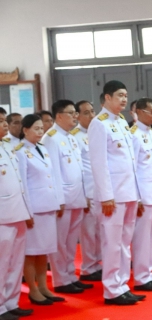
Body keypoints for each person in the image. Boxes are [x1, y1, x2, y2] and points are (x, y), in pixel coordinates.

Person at [88, 80, 143, 306]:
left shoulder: (120, 121)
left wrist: (137, 194)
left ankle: (122, 285)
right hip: (113, 195)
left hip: (128, 192)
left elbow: (130, 161)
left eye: (125, 95)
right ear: (107, 98)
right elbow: (98, 163)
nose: (124, 99)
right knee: (112, 243)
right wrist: (106, 195)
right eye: (119, 95)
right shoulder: (98, 124)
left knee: (124, 242)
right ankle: (111, 289)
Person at [41, 100, 91, 294]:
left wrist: (85, 195)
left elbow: (78, 169)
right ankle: (61, 280)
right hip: (64, 199)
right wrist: (58, 200)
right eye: (71, 113)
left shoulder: (70, 137)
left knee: (71, 242)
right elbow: (52, 173)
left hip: (77, 195)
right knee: (60, 242)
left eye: (75, 113)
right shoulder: (51, 138)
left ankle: (71, 275)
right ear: (59, 116)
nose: (75, 117)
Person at [16, 114, 66, 306]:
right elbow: (23, 185)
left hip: (47, 206)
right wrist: (26, 212)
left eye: (41, 128)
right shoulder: (20, 151)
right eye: (35, 128)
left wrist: (58, 201)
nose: (39, 132)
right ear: (25, 129)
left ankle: (44, 287)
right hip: (34, 209)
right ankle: (33, 289)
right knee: (31, 251)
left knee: (43, 251)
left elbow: (52, 177)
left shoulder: (43, 149)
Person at [0, 108, 34, 320]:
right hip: (2, 216)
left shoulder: (7, 146)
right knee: (2, 263)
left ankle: (11, 302)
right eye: (1, 121)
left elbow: (20, 183)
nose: (4, 124)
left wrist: (27, 211)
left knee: (14, 262)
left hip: (18, 212)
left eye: (4, 120)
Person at [130, 98, 152, 291]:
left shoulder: (151, 134)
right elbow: (133, 168)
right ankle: (141, 277)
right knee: (142, 238)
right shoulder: (134, 134)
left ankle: (149, 273)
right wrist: (137, 197)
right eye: (151, 112)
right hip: (144, 194)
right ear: (140, 112)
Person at [71, 100, 102, 282]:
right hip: (87, 190)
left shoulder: (97, 132)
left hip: (100, 190)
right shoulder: (75, 136)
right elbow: (78, 169)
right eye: (86, 113)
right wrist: (83, 194)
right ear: (77, 116)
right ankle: (88, 267)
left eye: (92, 111)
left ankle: (98, 263)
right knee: (88, 232)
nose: (91, 116)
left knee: (100, 230)